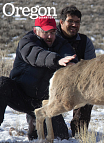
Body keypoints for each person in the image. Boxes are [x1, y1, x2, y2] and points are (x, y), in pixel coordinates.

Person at [0, 15, 78, 140]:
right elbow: (36, 55)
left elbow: (70, 56)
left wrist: (71, 64)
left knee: (61, 137)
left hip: (44, 102)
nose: (49, 36)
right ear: (35, 30)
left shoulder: (60, 43)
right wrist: (57, 60)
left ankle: (34, 124)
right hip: (21, 95)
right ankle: (33, 121)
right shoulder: (27, 42)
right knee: (1, 83)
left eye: (52, 32)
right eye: (45, 32)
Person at [56, 5, 96, 137]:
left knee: (90, 90)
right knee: (59, 134)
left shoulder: (85, 42)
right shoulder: (51, 38)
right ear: (61, 22)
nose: (74, 25)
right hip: (51, 85)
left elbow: (91, 69)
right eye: (70, 21)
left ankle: (79, 129)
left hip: (77, 84)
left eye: (77, 22)